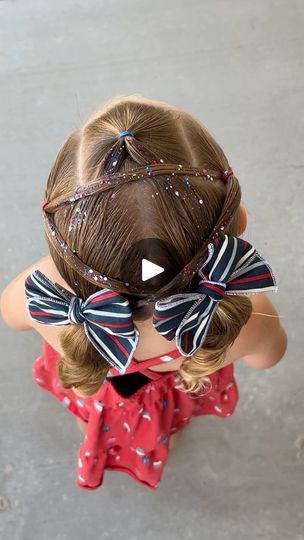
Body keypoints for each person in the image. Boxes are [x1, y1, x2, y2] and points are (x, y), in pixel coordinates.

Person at [0, 95, 287, 492]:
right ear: (238, 222)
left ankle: (91, 422)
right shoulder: (247, 319)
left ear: (60, 243)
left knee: (90, 401)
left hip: (94, 385)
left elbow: (11, 317)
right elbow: (268, 357)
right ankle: (165, 430)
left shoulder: (43, 291)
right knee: (167, 419)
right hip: (182, 387)